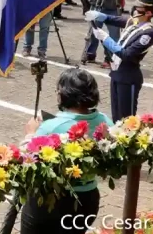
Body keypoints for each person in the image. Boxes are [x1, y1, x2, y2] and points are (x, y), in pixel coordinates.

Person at [20, 68, 112, 234]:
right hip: (88, 198)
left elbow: (27, 160)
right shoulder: (105, 122)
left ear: (63, 94)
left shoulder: (52, 126)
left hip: (52, 200)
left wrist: (31, 134)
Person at [85, 0, 153, 121]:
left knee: (126, 119)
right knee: (116, 117)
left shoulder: (148, 32)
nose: (135, 10)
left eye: (139, 8)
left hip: (128, 77)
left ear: (148, 13)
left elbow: (127, 54)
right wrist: (99, 15)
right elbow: (114, 19)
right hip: (116, 73)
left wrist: (106, 39)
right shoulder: (135, 21)